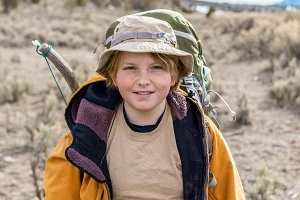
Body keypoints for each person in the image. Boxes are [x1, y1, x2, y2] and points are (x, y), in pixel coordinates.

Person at [43, 15, 245, 200]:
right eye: (130, 68)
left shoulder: (200, 132)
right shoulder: (87, 134)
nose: (143, 80)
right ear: (113, 75)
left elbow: (228, 193)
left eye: (156, 68)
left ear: (173, 76)